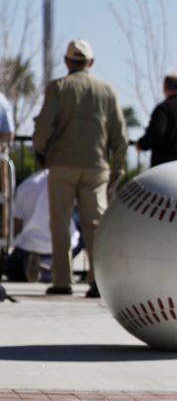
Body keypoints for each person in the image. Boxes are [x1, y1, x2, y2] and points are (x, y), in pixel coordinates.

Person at [32, 39, 128, 298]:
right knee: (95, 225)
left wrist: (40, 152)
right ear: (91, 62)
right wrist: (118, 167)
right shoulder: (107, 90)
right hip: (96, 167)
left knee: (61, 225)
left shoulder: (58, 87)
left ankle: (62, 281)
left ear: (67, 61)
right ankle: (98, 282)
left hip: (61, 165)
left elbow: (43, 128)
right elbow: (120, 133)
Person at [2, 169, 80, 282]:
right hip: (64, 244)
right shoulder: (68, 182)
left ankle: (40, 266)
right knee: (79, 228)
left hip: (30, 245)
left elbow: (17, 226)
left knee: (10, 269)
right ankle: (54, 266)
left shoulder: (26, 185)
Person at [136, 73, 177, 167]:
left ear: (165, 87)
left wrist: (141, 144)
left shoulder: (163, 109)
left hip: (166, 169)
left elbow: (156, 134)